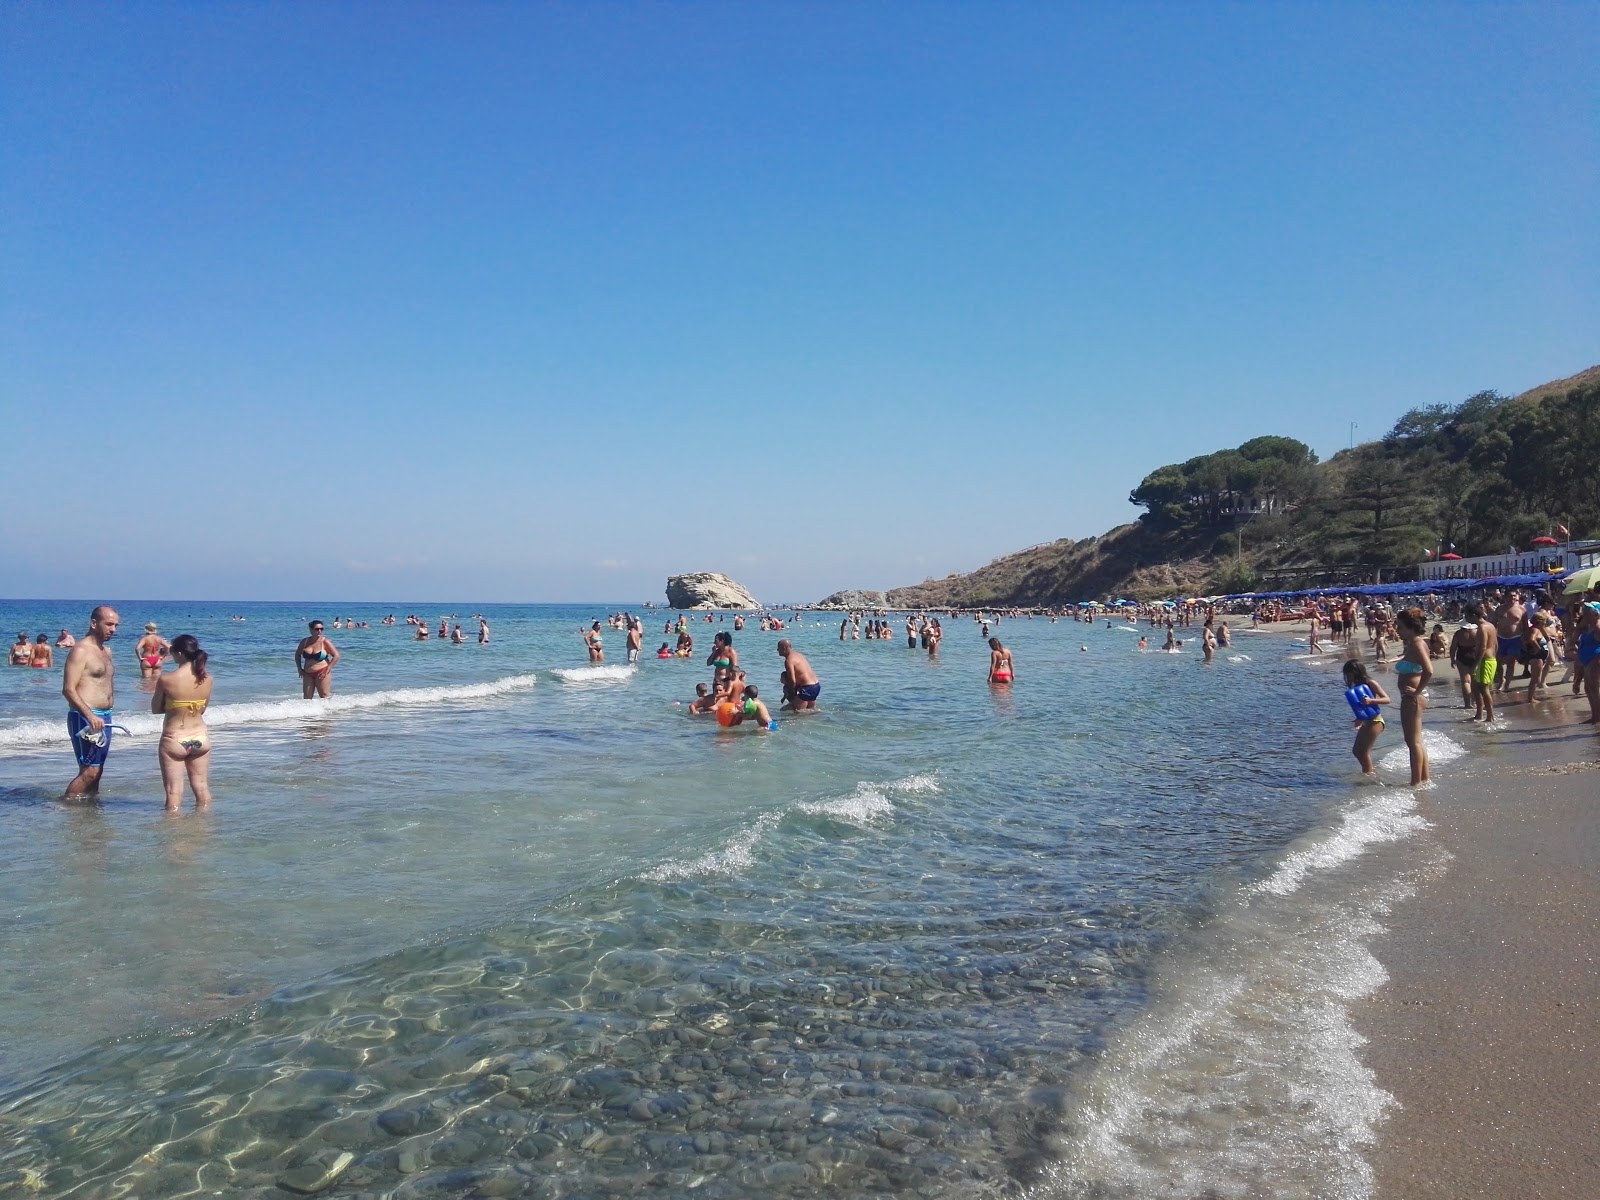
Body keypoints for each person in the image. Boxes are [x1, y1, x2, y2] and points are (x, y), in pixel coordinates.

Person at [62, 606, 119, 798]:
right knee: (90, 772)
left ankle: (89, 810)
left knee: (97, 770)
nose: (113, 629)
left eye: (116, 625)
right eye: (109, 624)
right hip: (85, 717)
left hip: (104, 717)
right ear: (94, 623)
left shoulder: (106, 651)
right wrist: (89, 715)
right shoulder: (80, 651)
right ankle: (64, 806)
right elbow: (68, 689)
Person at [153, 633, 214, 812]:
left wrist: (174, 706)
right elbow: (203, 709)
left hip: (175, 738)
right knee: (202, 788)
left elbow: (156, 708)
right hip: (200, 738)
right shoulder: (207, 679)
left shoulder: (167, 679)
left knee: (174, 793)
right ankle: (203, 827)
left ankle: (174, 833)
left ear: (179, 653)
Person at [1393, 607, 1432, 785]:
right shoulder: (1414, 643)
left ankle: (1415, 782)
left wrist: (1416, 692)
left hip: (1413, 697)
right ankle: (1423, 778)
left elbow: (1429, 670)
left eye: (1400, 627)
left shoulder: (1417, 644)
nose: (1397, 630)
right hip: (1413, 697)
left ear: (1410, 627)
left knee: (1412, 741)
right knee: (1416, 740)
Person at [1342, 659, 1391, 777]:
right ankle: (1369, 773)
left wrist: (1371, 701)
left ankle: (1369, 775)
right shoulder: (1356, 686)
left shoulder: (1371, 683)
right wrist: (1359, 718)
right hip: (1367, 721)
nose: (1347, 676)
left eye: (1348, 673)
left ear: (1356, 671)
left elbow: (1387, 699)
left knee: (1363, 752)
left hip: (1376, 721)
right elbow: (1361, 706)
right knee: (1357, 751)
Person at [1466, 602, 1497, 722]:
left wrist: (1474, 665)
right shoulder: (1490, 625)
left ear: (1473, 615)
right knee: (1477, 687)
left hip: (1485, 661)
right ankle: (1480, 714)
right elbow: (1496, 644)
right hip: (1490, 659)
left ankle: (1490, 716)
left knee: (1484, 689)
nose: (1466, 618)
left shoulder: (1482, 628)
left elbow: (1482, 648)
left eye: (1467, 615)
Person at [296, 620, 340, 699]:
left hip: (322, 672)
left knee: (324, 696)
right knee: (307, 698)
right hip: (307, 673)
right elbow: (297, 655)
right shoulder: (305, 641)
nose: (319, 631)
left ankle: (329, 711)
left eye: (321, 629)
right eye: (317, 629)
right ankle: (309, 711)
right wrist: (299, 668)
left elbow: (336, 655)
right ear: (311, 630)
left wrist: (328, 668)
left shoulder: (325, 641)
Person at [777, 639, 821, 711]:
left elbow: (792, 681)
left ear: (784, 648)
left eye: (778, 648)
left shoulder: (789, 661)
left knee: (789, 712)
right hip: (816, 686)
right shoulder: (798, 655)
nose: (777, 650)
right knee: (811, 711)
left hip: (807, 688)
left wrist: (789, 692)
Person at [1448, 616, 1478, 709]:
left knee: (1465, 681)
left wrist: (1452, 659)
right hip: (1475, 655)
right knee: (1474, 680)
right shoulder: (1477, 632)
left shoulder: (1458, 633)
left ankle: (1467, 704)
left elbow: (1453, 647)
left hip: (1462, 655)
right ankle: (1475, 702)